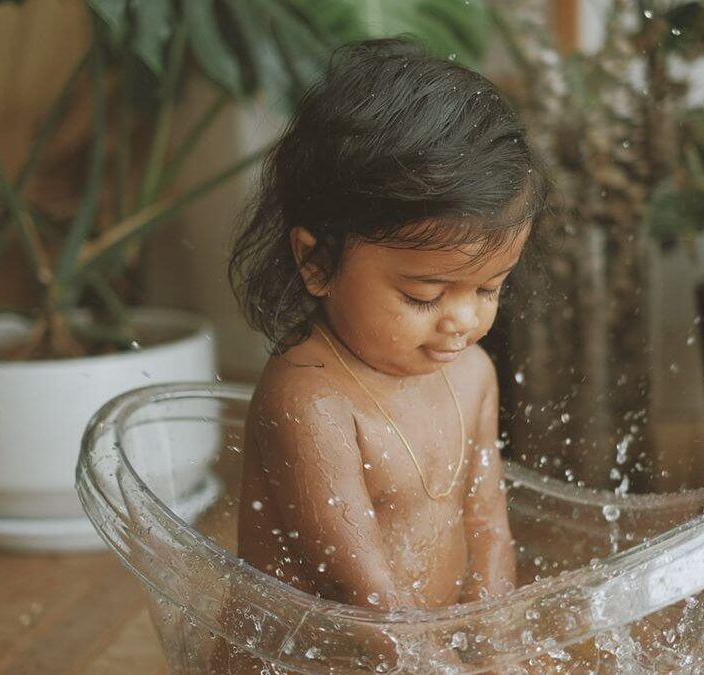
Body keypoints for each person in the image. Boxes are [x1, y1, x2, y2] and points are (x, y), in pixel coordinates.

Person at [228, 37, 552, 619]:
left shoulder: (474, 374)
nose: (462, 319)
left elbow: (488, 532)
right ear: (317, 262)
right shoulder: (311, 400)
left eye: (487, 289)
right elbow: (360, 598)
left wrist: (498, 646)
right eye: (422, 295)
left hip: (417, 652)